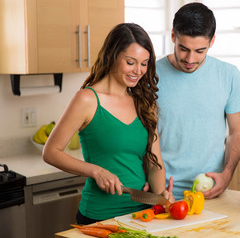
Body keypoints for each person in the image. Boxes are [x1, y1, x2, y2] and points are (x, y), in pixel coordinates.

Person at [43, 23, 174, 224]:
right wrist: (96, 171)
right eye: (131, 62)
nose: (138, 71)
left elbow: (155, 162)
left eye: (144, 63)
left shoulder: (144, 103)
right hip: (100, 217)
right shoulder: (87, 99)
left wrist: (161, 196)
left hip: (142, 216)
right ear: (113, 56)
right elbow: (51, 152)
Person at [156, 2, 240, 200]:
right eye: (183, 48)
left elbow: (236, 131)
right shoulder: (149, 75)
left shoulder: (229, 75)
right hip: (162, 194)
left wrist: (227, 174)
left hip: (210, 193)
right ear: (173, 36)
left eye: (200, 50)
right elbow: (141, 135)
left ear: (212, 41)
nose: (190, 59)